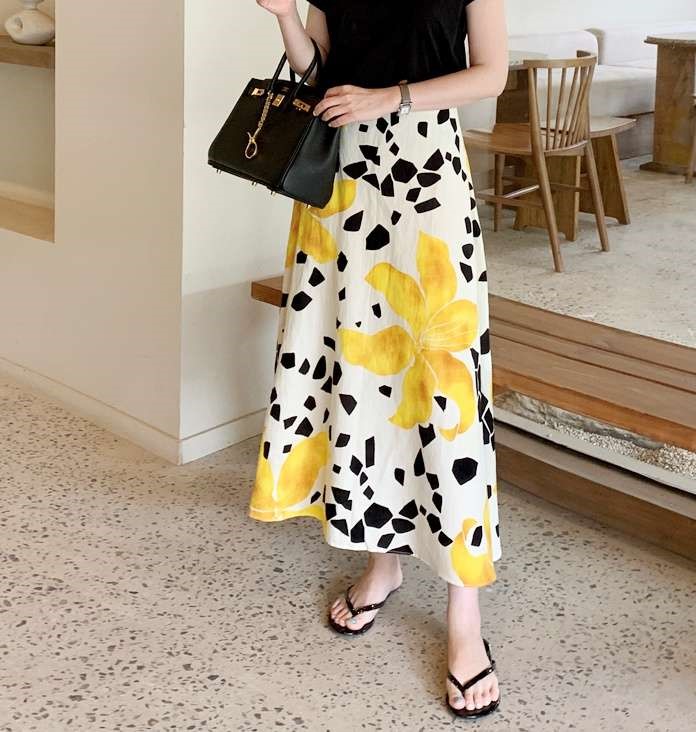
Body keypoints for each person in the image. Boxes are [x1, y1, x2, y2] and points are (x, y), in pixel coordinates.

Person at [250, 0, 508, 718]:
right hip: (342, 186)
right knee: (358, 374)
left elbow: (490, 74)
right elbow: (318, 74)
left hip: (428, 181)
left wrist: (387, 98)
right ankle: (382, 563)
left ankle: (465, 618)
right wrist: (285, 17)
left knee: (446, 388)